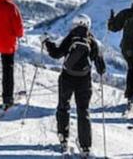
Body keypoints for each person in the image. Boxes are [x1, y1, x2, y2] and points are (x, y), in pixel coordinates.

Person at [43, 14, 106, 157]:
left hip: (67, 78)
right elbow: (101, 68)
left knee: (63, 106)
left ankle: (63, 138)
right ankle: (85, 147)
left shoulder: (71, 37)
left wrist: (47, 42)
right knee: (83, 111)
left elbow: (56, 53)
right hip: (84, 80)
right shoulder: (92, 40)